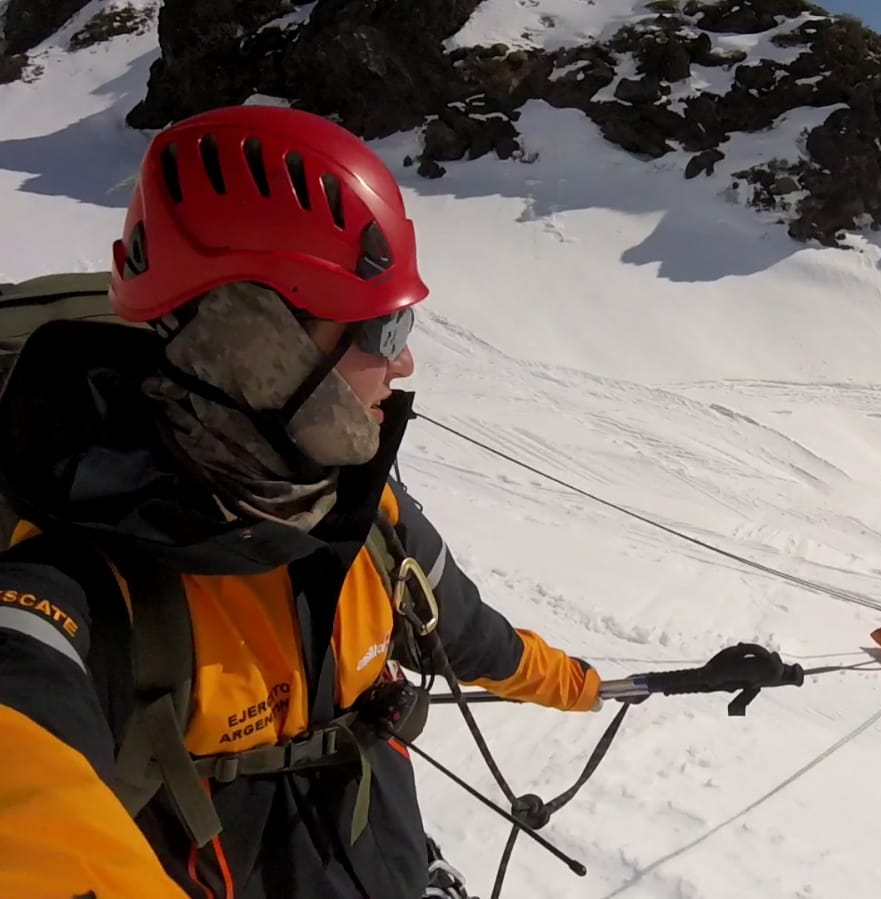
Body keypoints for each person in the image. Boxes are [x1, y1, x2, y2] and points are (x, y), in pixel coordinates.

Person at [0, 105, 603, 898]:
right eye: (384, 327)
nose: (406, 356)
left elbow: (470, 636)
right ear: (258, 347)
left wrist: (583, 686)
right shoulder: (63, 589)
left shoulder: (364, 514)